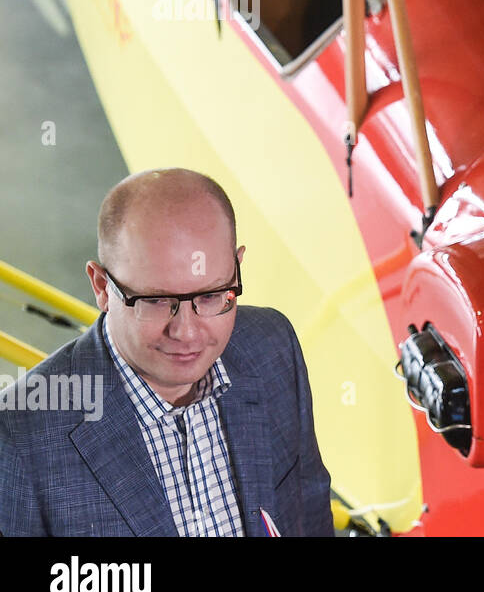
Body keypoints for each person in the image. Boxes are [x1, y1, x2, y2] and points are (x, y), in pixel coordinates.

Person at [0, 168, 333, 536]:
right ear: (100, 286)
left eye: (209, 296)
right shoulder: (18, 438)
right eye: (155, 300)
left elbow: (309, 503)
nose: (186, 332)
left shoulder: (272, 345)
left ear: (237, 267)